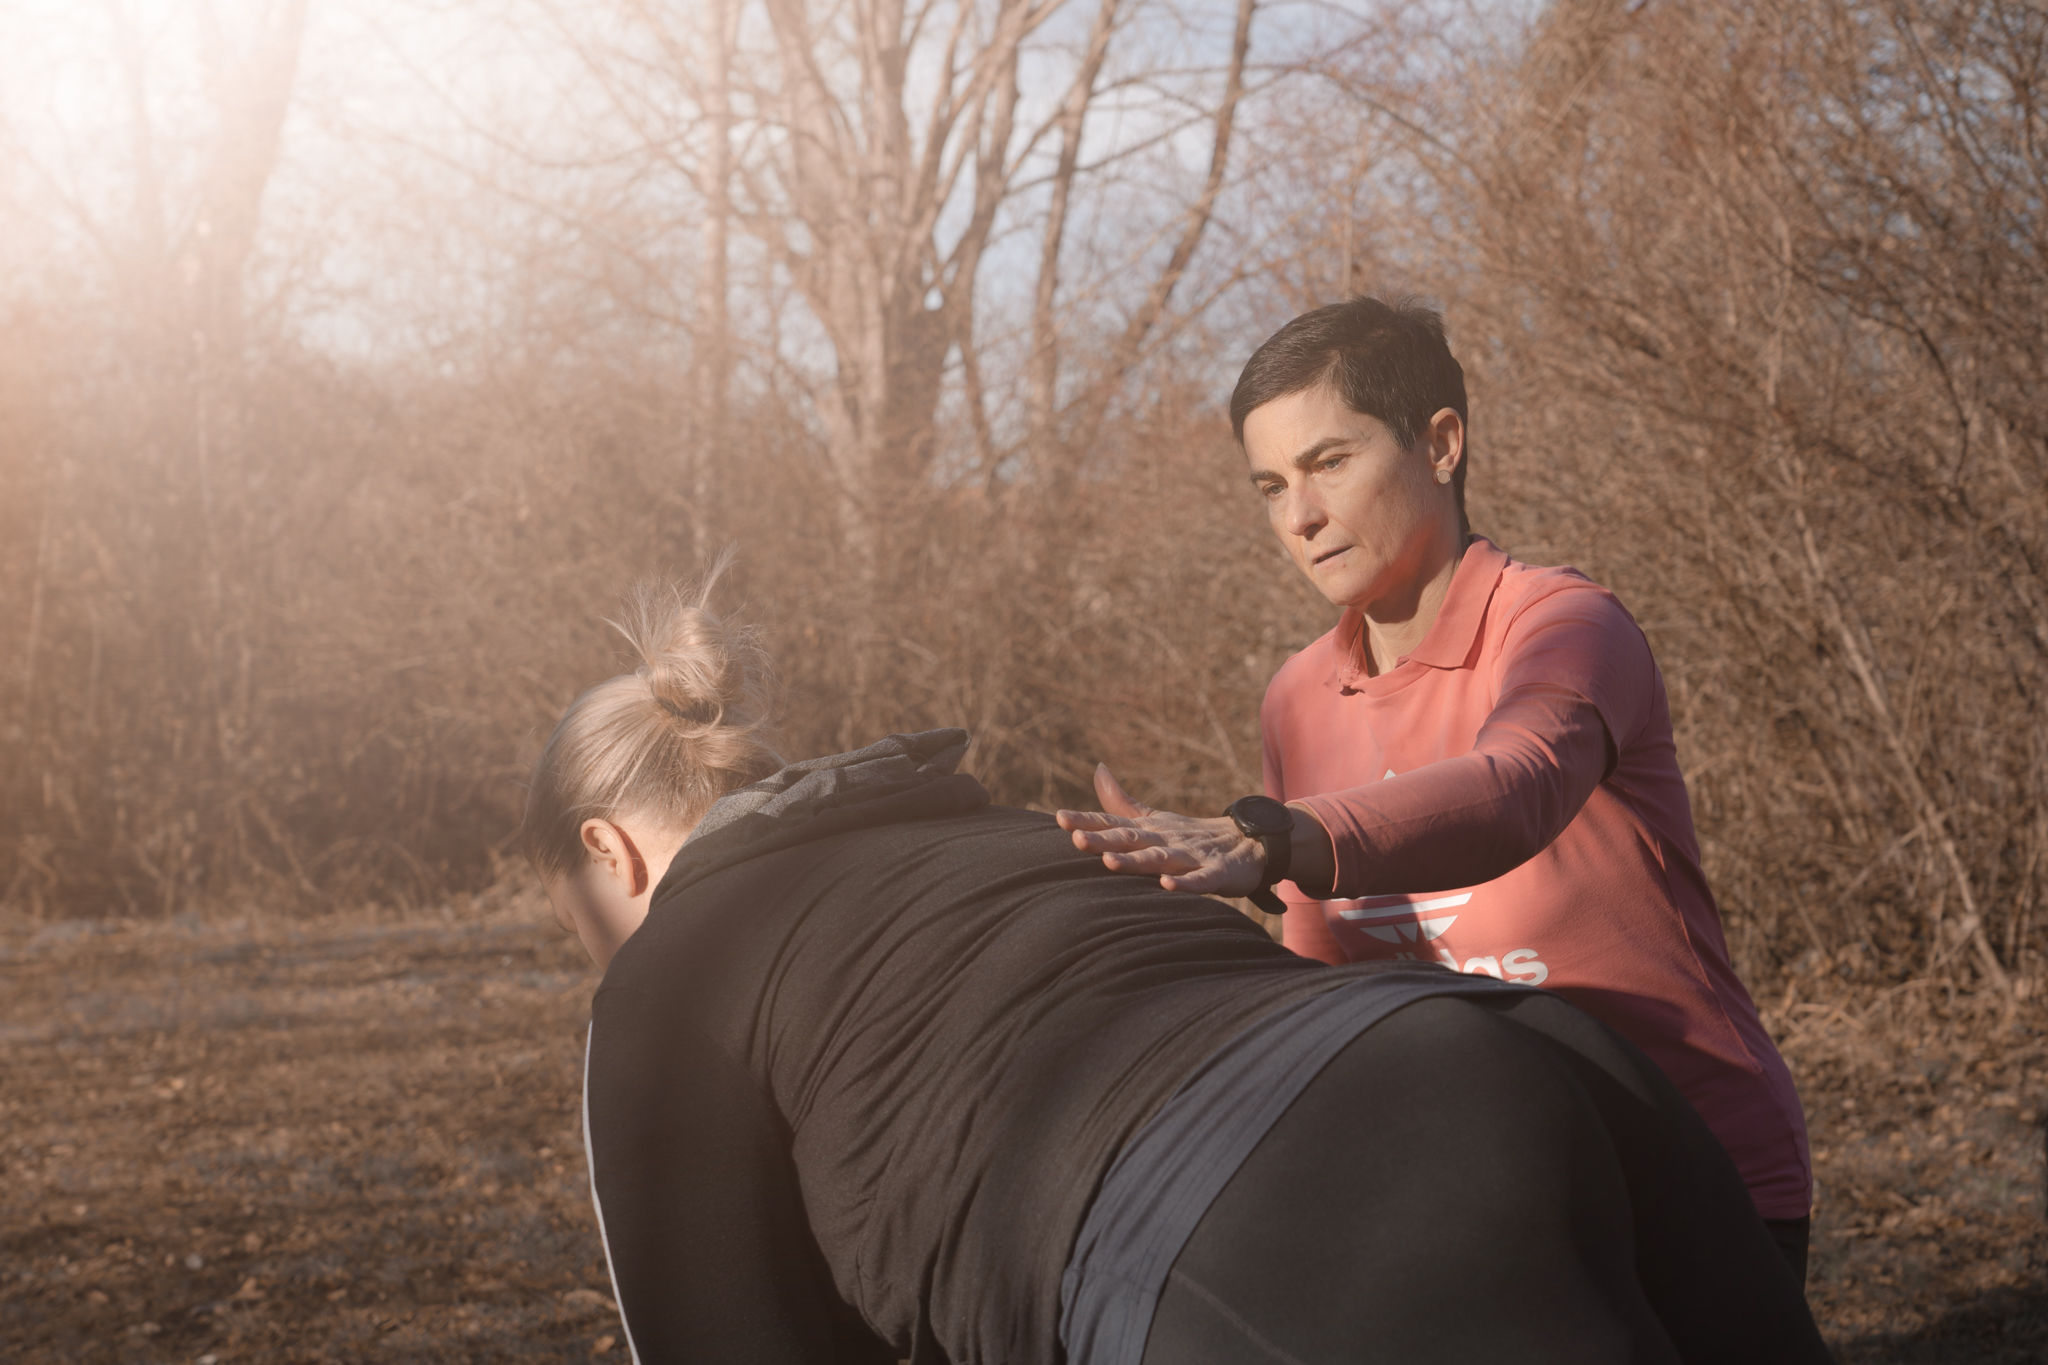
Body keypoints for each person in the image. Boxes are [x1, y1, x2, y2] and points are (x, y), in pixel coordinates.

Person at [520, 571, 1831, 1365]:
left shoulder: (666, 979)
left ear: (606, 852)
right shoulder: (1006, 826)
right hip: (1518, 1055)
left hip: (1258, 1217)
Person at [1055, 296, 1814, 1276]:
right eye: (1271, 485)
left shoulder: (1563, 625)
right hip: (1476, 1195)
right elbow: (1324, 987)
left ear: (1441, 443)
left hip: (1686, 1172)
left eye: (1330, 462)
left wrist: (1276, 836)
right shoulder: (1295, 698)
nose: (1299, 516)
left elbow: (1516, 787)